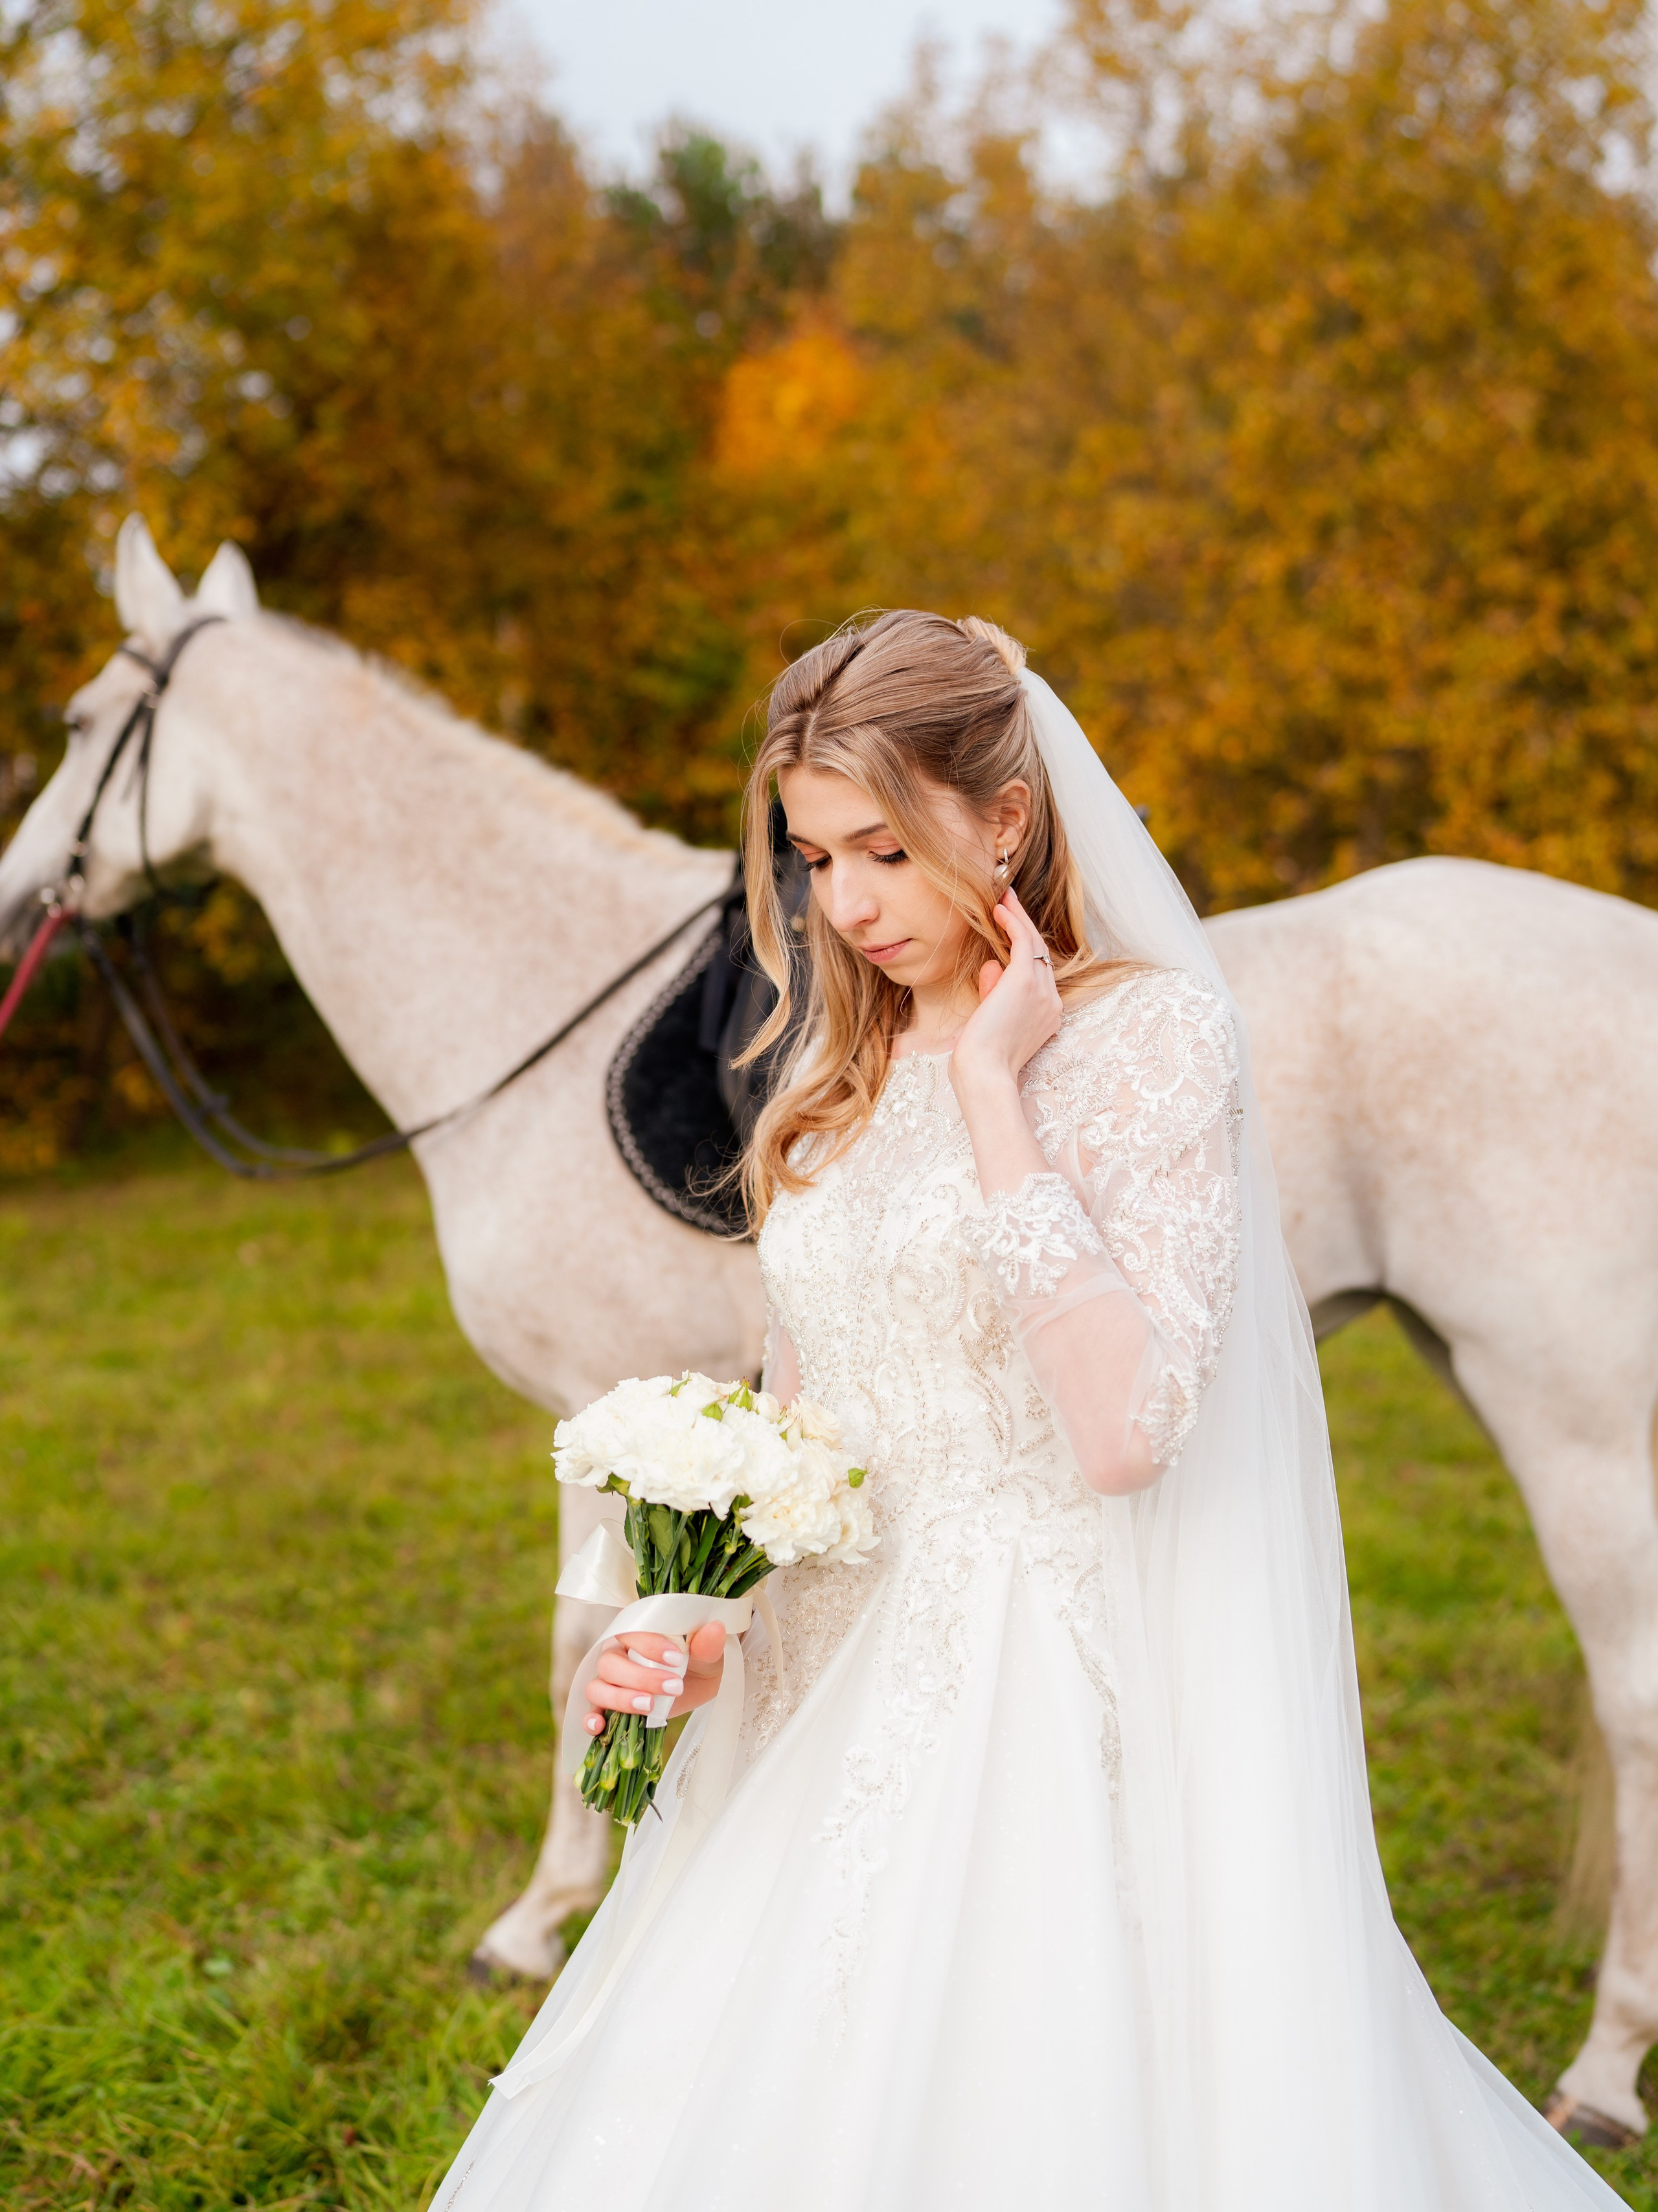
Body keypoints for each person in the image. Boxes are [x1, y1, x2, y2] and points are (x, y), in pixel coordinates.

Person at [433, 613, 1622, 2209]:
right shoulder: (824, 1072)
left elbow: (1122, 1434)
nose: (846, 906)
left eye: (883, 849)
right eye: (809, 858)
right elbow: (807, 1429)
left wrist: (1000, 1097)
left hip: (1041, 1682)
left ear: (1001, 818)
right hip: (827, 1676)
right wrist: (700, 1626)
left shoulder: (1147, 1043)